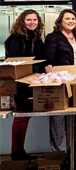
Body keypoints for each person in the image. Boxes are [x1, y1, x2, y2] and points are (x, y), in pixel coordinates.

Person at [45, 9, 76, 153]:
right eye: (67, 19)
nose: (71, 21)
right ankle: (61, 151)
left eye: (73, 19)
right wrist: (54, 82)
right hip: (61, 82)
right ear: (60, 21)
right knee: (59, 116)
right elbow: (48, 63)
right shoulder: (53, 37)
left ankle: (74, 146)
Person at [4, 10, 45, 160]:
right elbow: (16, 63)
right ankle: (16, 153)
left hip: (33, 82)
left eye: (35, 20)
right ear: (22, 21)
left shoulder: (35, 37)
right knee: (21, 116)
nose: (32, 22)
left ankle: (19, 151)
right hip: (20, 83)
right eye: (28, 20)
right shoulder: (15, 39)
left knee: (25, 116)